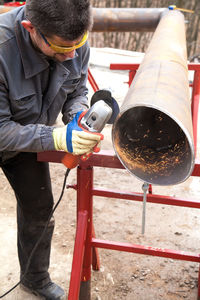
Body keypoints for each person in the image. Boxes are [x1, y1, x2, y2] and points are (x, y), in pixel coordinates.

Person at [0, 0, 102, 299]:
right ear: (30, 28)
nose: (72, 55)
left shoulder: (73, 40)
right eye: (61, 49)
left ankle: (35, 279)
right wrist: (55, 139)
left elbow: (78, 89)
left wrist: (78, 117)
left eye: (77, 45)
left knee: (39, 209)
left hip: (28, 138)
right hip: (10, 129)